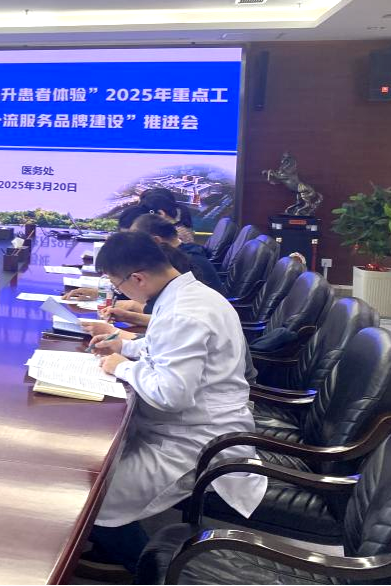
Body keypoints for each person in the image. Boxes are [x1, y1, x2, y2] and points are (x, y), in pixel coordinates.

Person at [83, 231, 264, 574]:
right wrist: (124, 346)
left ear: (137, 278)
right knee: (97, 466)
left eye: (118, 285)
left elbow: (171, 395)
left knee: (93, 494)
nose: (120, 293)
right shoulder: (189, 294)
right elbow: (163, 348)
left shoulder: (184, 312)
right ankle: (111, 547)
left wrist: (121, 366)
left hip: (195, 442)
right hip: (189, 425)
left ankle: (148, 569)